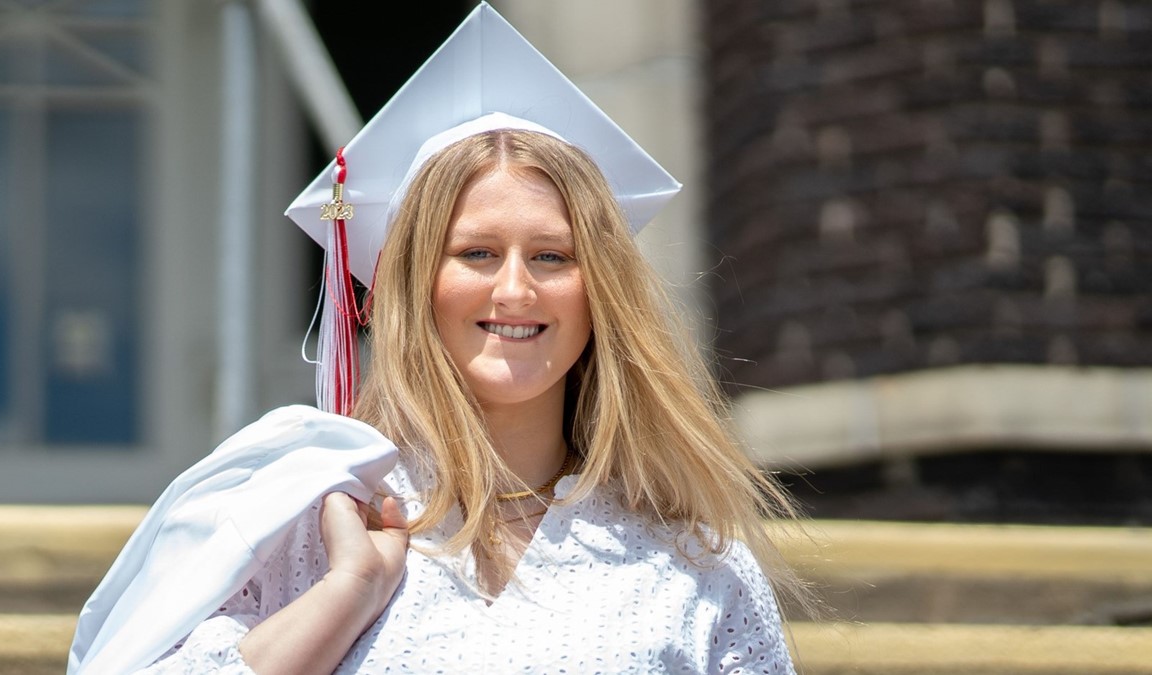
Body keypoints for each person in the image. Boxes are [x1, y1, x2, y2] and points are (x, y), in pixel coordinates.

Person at [69, 5, 808, 674]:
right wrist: (347, 591)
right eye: (477, 254)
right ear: (409, 281)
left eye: (551, 256)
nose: (516, 290)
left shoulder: (694, 566)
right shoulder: (307, 527)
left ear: (599, 292)